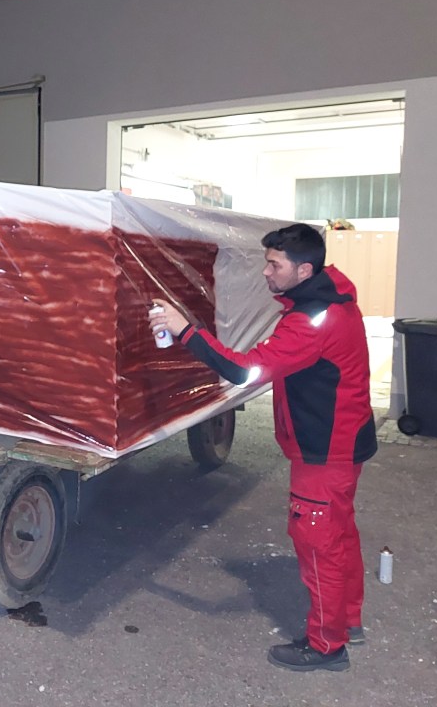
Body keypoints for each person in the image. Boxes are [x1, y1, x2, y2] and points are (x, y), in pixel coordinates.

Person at [150, 222, 377, 673]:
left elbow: (245, 372)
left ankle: (327, 646)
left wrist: (185, 331)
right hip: (343, 441)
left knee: (317, 543)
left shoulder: (311, 321)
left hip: (324, 450)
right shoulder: (330, 298)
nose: (266, 273)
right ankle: (347, 621)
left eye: (274, 265)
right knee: (339, 534)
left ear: (304, 269)